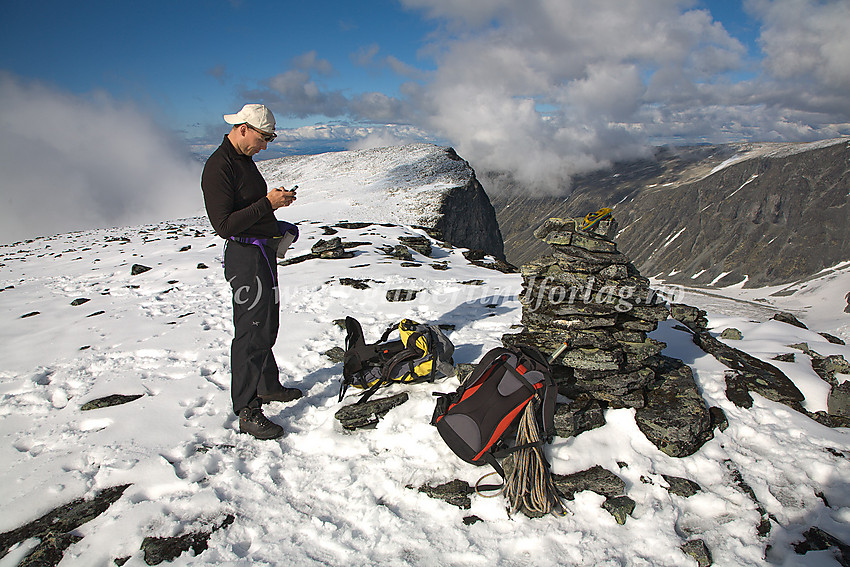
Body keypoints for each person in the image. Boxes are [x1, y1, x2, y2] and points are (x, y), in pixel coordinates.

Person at [201, 103, 302, 440]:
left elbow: (248, 210)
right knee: (251, 330)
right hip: (245, 258)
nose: (266, 146)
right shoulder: (218, 167)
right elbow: (224, 225)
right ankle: (247, 409)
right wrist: (268, 205)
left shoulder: (242, 161)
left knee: (266, 322)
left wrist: (276, 208)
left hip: (260, 253)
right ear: (243, 128)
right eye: (263, 138)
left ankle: (268, 386)